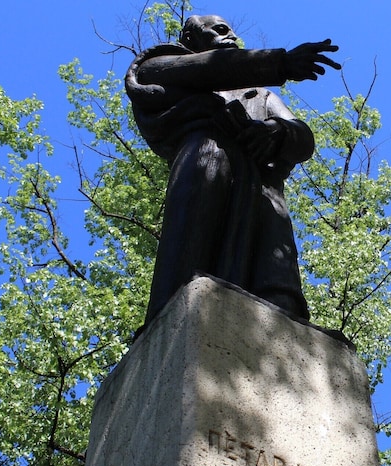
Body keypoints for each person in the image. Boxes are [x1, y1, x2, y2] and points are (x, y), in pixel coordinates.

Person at [125, 15, 340, 327]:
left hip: (264, 197)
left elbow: (303, 138)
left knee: (280, 296)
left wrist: (276, 132)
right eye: (221, 30)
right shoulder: (155, 68)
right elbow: (211, 67)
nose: (233, 37)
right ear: (190, 38)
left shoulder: (260, 95)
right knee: (186, 290)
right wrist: (280, 63)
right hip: (205, 170)